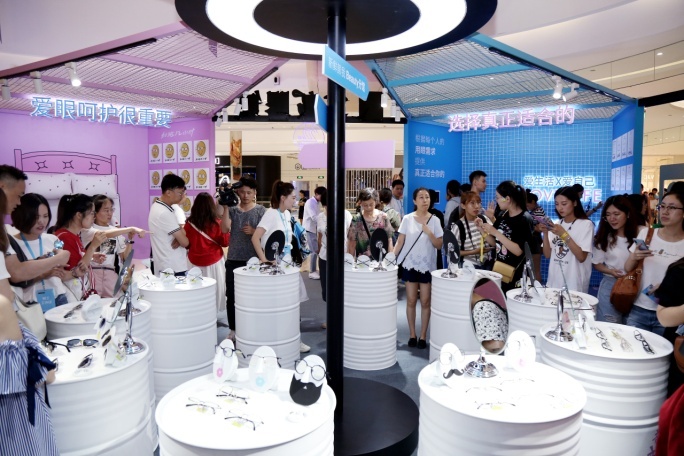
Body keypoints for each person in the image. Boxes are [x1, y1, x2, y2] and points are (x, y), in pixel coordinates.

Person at [252, 180, 310, 353]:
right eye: (293, 197)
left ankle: (294, 339)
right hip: (276, 268)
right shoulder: (271, 214)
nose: (295, 200)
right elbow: (255, 238)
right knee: (278, 305)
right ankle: (277, 340)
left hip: (288, 266)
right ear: (283, 198)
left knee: (292, 304)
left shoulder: (286, 214)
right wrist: (264, 259)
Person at [624, 188, 684, 336]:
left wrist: (666, 287)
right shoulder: (647, 234)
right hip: (639, 308)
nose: (665, 211)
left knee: (663, 351)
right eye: (662, 206)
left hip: (670, 313)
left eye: (672, 208)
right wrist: (634, 257)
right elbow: (627, 268)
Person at [393, 187, 443, 349]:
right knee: (411, 300)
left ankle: (423, 336)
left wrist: (429, 233)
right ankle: (412, 334)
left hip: (427, 265)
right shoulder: (407, 219)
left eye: (427, 197)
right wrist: (391, 258)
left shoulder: (435, 220)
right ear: (414, 201)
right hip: (410, 264)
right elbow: (400, 242)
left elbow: (439, 245)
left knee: (426, 301)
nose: (425, 200)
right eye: (421, 197)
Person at [9, 194, 74, 310]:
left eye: (45, 216)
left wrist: (75, 272)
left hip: (59, 298)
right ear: (22, 215)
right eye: (36, 217)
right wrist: (44, 273)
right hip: (31, 303)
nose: (41, 221)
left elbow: (61, 271)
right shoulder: (12, 244)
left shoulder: (53, 239)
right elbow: (16, 279)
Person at [223, 176, 265, 341]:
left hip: (254, 260)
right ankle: (233, 329)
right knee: (232, 296)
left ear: (254, 193)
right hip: (234, 258)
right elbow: (224, 229)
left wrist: (254, 232)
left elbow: (267, 235)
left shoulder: (261, 211)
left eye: (249, 192)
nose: (245, 195)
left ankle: (254, 327)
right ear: (237, 192)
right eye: (242, 192)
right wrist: (225, 206)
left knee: (254, 297)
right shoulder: (233, 210)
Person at [80, 195, 145, 297]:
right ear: (95, 212)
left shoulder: (115, 231)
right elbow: (103, 234)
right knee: (91, 302)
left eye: (111, 209)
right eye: (106, 210)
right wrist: (130, 228)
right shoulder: (88, 229)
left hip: (110, 274)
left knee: (117, 302)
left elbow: (125, 257)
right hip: (92, 273)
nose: (110, 213)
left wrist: (130, 240)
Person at [476, 181, 532, 293]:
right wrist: (481, 230)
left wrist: (496, 233)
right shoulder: (503, 215)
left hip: (516, 274)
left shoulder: (524, 219)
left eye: (497, 197)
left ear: (507, 199)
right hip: (499, 270)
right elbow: (495, 243)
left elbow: (518, 251)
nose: (496, 200)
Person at [592, 196, 639, 323]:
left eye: (616, 214)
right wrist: (610, 271)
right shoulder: (604, 237)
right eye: (608, 215)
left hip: (635, 285)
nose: (612, 218)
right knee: (609, 325)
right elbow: (597, 264)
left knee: (631, 327)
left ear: (627, 214)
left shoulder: (640, 235)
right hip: (611, 284)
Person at [540, 186, 594, 293]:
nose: (560, 208)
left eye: (564, 204)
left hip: (574, 285)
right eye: (557, 204)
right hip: (553, 283)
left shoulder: (586, 225)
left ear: (575, 203)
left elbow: (581, 257)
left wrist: (563, 234)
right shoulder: (557, 224)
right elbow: (547, 255)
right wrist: (545, 233)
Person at [53, 194, 107, 300]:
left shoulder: (73, 235)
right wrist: (92, 247)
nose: (94, 217)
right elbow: (79, 269)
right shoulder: (65, 237)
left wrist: (92, 256)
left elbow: (79, 261)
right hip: (71, 295)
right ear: (78, 215)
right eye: (92, 213)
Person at [186, 192, 230, 313]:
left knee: (196, 290)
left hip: (194, 263)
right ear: (212, 206)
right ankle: (213, 314)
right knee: (215, 290)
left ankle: (199, 314)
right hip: (214, 262)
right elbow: (225, 242)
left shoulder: (189, 223)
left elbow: (187, 244)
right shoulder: (217, 223)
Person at [148, 174, 189, 276]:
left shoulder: (158, 206)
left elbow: (182, 235)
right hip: (173, 268)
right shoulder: (165, 213)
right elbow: (185, 242)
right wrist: (181, 236)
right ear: (168, 192)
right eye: (180, 193)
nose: (182, 196)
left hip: (166, 266)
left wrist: (180, 235)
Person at [450, 191, 493, 268]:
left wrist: (491, 219)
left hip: (488, 264)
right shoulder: (458, 226)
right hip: (468, 266)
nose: (476, 206)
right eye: (472, 203)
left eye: (478, 203)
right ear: (463, 205)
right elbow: (452, 251)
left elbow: (495, 243)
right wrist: (474, 252)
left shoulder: (484, 219)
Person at [348, 188, 394, 257]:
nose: (368, 207)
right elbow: (352, 243)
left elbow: (389, 240)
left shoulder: (383, 217)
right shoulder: (356, 220)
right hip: (362, 261)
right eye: (365, 205)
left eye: (371, 204)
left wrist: (390, 258)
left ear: (376, 201)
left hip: (381, 260)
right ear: (361, 203)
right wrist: (350, 260)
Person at [303, 187, 325, 280]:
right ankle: (312, 271)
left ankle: (314, 270)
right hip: (309, 229)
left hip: (313, 229)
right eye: (322, 195)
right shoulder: (310, 202)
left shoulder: (316, 203)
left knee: (315, 250)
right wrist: (323, 221)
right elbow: (314, 217)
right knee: (314, 251)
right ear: (316, 194)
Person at [526, 190, 546, 281]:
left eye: (528, 205)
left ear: (533, 202)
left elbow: (540, 228)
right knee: (532, 269)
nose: (527, 208)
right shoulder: (535, 211)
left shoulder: (538, 212)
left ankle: (538, 288)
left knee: (535, 269)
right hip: (533, 241)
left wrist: (530, 227)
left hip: (536, 241)